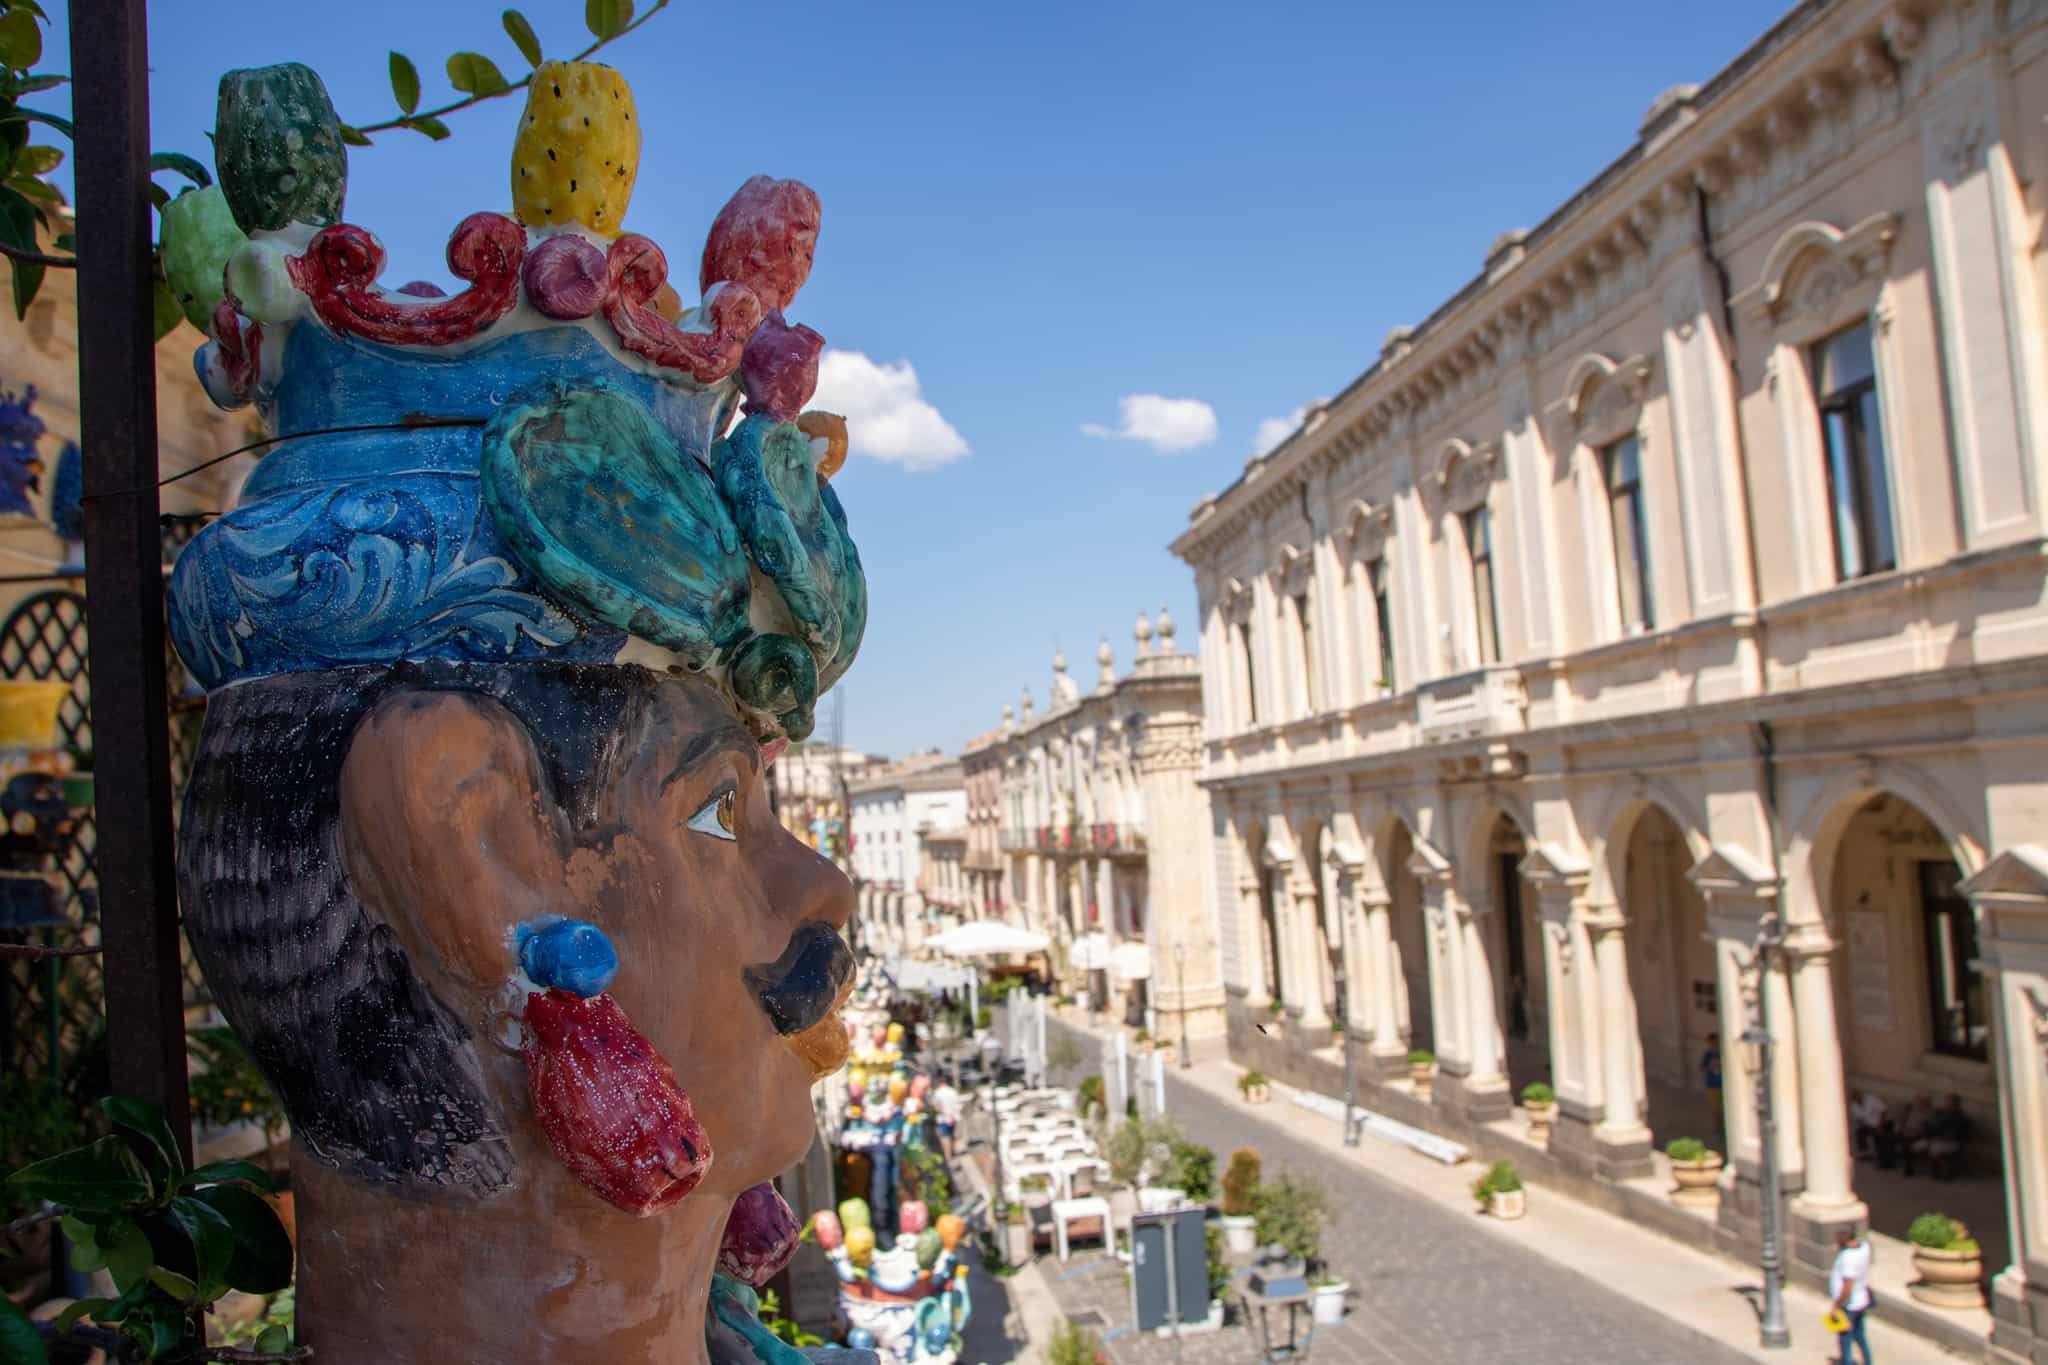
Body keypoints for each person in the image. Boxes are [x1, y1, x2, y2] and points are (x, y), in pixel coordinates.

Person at [1829, 1224, 1875, 1365]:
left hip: (1849, 1305)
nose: (1836, 1240)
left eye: (1838, 1237)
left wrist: (1836, 1306)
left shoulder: (1848, 1258)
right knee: (1860, 1335)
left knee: (1845, 1340)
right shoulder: (1864, 1247)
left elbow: (1847, 1286)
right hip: (1861, 1300)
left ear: (1844, 1237)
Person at [1917, 1093, 1971, 1180]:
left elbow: (1957, 1133)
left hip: (1952, 1142)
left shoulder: (1959, 1116)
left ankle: (1946, 1170)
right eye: (1946, 1102)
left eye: (1949, 1102)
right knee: (1922, 1145)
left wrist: (1938, 1133)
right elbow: (1934, 1125)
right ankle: (1936, 1171)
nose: (1946, 1104)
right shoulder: (1944, 1113)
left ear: (1956, 1104)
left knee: (1933, 1148)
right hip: (1939, 1139)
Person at [1898, 1093, 1935, 1176]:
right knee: (1885, 1136)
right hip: (1906, 1131)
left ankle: (1908, 1169)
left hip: (1917, 1134)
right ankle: (1885, 1161)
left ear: (1926, 1102)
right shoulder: (1914, 1110)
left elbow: (1925, 1128)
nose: (1917, 1103)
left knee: (1907, 1144)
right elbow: (1903, 1120)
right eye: (1917, 1101)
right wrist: (1903, 1128)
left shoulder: (1929, 1113)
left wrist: (1912, 1132)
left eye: (1920, 1101)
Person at [1850, 1090, 1890, 1161]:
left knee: (1878, 1135)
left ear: (1861, 1094)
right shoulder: (1854, 1106)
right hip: (1867, 1125)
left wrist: (1880, 1125)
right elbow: (1858, 1119)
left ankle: (1880, 1155)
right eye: (1855, 1098)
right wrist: (1860, 1126)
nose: (1857, 1098)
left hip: (1879, 1123)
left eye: (1858, 1095)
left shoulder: (1871, 1099)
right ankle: (1866, 1153)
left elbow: (1884, 1111)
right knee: (1860, 1133)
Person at [1700, 1032, 1723, 1124]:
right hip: (1713, 1085)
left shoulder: (1724, 1054)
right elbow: (1702, 1068)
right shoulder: (1708, 1055)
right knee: (1716, 1108)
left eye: (1716, 1043)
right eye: (1712, 1043)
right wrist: (1711, 1067)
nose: (1714, 1045)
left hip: (1725, 1086)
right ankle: (1718, 1126)